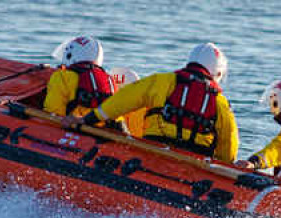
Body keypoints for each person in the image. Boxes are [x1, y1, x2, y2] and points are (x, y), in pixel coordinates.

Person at [61, 43, 239, 162]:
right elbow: (229, 147)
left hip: (153, 152)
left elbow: (121, 101)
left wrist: (87, 120)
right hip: (195, 163)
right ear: (217, 73)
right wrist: (220, 168)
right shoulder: (220, 102)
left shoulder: (161, 81)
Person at [43, 36, 121, 129]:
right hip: (104, 132)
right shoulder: (110, 79)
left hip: (74, 128)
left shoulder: (61, 76)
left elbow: (53, 112)